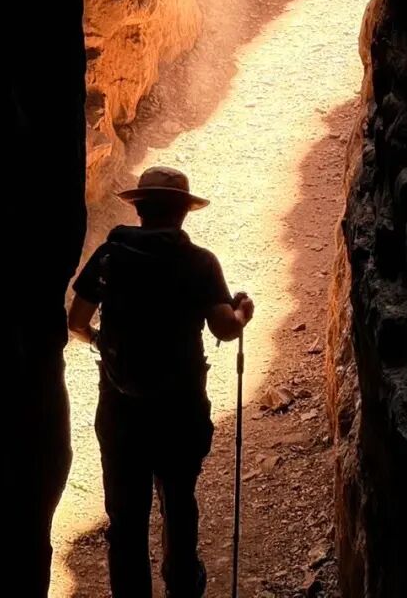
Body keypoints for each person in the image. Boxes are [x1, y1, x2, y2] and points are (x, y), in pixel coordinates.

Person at [68, 165, 255, 598]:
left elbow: (76, 321)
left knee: (125, 519)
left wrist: (101, 341)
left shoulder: (109, 256)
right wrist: (243, 311)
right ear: (182, 212)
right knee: (178, 502)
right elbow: (225, 328)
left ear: (139, 209)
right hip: (180, 409)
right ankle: (182, 587)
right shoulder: (200, 262)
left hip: (120, 408)